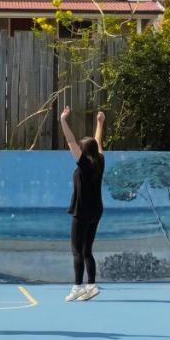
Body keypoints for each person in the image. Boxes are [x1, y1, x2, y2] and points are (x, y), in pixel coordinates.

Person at [59, 106, 106, 302]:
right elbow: (98, 142)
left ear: (84, 152)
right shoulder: (100, 160)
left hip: (82, 212)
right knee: (87, 250)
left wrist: (63, 121)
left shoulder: (85, 164)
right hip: (96, 211)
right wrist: (100, 123)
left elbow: (70, 141)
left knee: (77, 250)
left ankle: (78, 286)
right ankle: (92, 285)